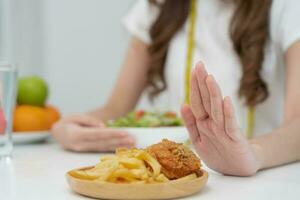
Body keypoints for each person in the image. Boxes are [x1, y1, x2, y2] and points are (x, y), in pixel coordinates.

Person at [52, 0, 300, 176]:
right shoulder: (159, 6)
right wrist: (70, 129)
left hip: (261, 179)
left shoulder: (287, 6)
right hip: (176, 181)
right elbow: (115, 108)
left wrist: (253, 155)